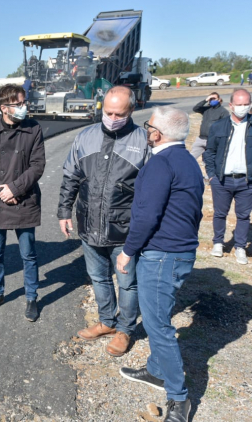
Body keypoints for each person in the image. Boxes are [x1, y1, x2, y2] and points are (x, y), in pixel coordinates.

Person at [116, 107, 204, 422]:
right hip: (180, 252)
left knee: (158, 326)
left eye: (148, 125)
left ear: (158, 133)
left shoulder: (160, 164)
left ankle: (179, 399)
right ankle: (155, 370)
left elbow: (146, 216)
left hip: (162, 255)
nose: (146, 130)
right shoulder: (189, 162)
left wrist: (127, 251)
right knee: (159, 313)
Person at [58, 86, 151, 357]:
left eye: (118, 113)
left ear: (131, 110)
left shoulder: (144, 141)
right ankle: (107, 321)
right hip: (89, 224)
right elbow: (71, 177)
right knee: (98, 278)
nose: (111, 117)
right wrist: (64, 211)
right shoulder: (85, 137)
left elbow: (153, 190)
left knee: (127, 283)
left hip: (125, 231)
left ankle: (125, 330)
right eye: (107, 112)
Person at [0, 84, 45, 321]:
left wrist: (14, 189)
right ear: (4, 108)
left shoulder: (33, 129)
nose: (25, 107)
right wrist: (1, 191)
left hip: (24, 200)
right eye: (20, 104)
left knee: (28, 254)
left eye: (25, 102)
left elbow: (37, 165)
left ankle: (31, 297)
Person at [204, 88, 252, 265]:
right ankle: (218, 243)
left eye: (246, 104)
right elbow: (209, 152)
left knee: (243, 215)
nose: (242, 107)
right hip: (222, 179)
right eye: (239, 104)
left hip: (247, 181)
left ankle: (240, 247)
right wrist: (211, 176)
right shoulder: (218, 126)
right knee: (219, 213)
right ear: (231, 105)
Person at [190, 92, 228, 165]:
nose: (212, 100)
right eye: (211, 99)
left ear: (219, 99)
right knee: (191, 158)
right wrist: (205, 100)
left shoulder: (223, 111)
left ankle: (209, 176)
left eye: (214, 98)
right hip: (201, 139)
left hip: (212, 140)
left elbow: (225, 126)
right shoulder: (206, 109)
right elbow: (195, 109)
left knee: (208, 161)